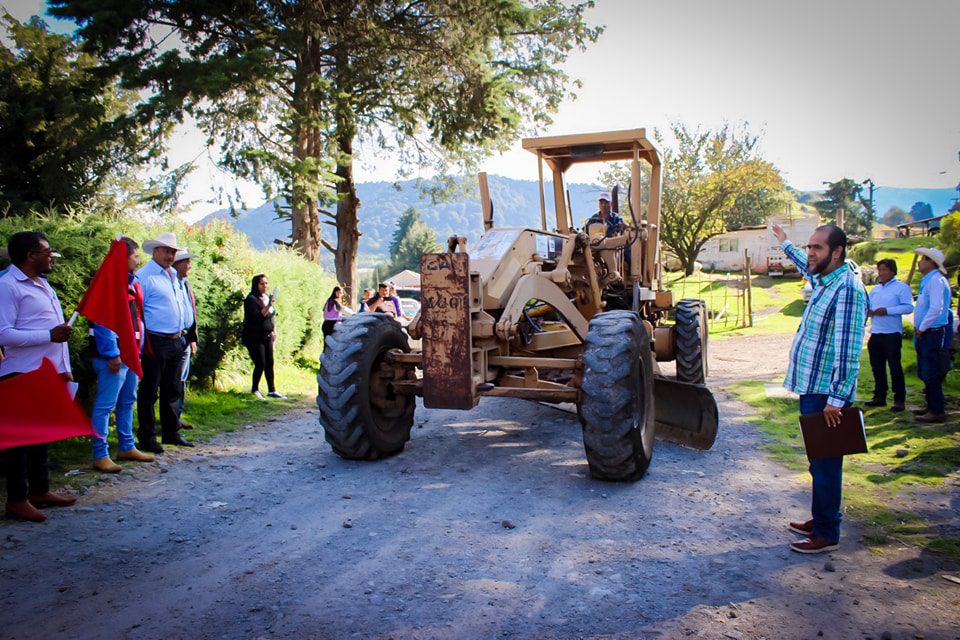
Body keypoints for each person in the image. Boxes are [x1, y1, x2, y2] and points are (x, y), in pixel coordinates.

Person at [772, 223, 868, 554]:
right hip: (815, 388)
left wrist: (837, 400)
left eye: (817, 248)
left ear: (837, 252)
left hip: (828, 395)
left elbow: (848, 349)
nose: (810, 253)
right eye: (809, 246)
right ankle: (822, 517)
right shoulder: (826, 279)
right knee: (819, 461)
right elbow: (807, 267)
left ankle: (827, 532)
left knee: (826, 463)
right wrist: (786, 244)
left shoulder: (847, 290)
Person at [0, 232, 77, 522]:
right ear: (31, 255)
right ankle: (17, 500)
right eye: (48, 251)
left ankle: (40, 490)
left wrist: (63, 366)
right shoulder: (7, 286)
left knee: (40, 436)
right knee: (19, 441)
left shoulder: (43, 285)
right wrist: (48, 335)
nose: (52, 256)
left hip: (46, 371)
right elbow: (3, 334)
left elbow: (59, 335)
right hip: (20, 372)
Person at [88, 237, 156, 473]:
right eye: (135, 255)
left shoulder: (130, 283)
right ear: (123, 257)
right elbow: (102, 322)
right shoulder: (108, 284)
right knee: (105, 405)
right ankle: (100, 453)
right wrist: (112, 353)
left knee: (128, 401)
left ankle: (126, 446)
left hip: (130, 353)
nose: (138, 260)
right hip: (114, 357)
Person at [136, 232, 192, 453]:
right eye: (166, 251)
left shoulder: (172, 275)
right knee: (150, 390)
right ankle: (148, 437)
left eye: (173, 252)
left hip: (177, 339)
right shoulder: (145, 276)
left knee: (173, 388)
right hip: (155, 339)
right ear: (155, 251)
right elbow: (139, 310)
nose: (170, 255)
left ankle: (171, 432)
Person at [864, 258, 914, 412]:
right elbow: (868, 306)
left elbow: (908, 307)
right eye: (879, 270)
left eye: (884, 270)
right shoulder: (876, 289)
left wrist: (888, 310)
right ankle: (879, 396)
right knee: (877, 367)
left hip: (892, 333)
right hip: (876, 332)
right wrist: (870, 311)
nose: (881, 273)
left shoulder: (901, 287)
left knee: (894, 367)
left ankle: (899, 399)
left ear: (892, 271)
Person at [911, 247, 953, 423]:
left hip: (932, 331)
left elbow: (936, 308)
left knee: (931, 371)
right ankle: (931, 405)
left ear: (931, 262)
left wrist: (922, 327)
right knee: (925, 371)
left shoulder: (936, 280)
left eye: (923, 259)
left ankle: (937, 409)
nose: (920, 261)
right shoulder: (928, 280)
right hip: (925, 331)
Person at [242, 274, 284, 399]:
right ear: (256, 285)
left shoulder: (266, 297)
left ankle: (272, 390)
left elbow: (271, 316)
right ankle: (255, 389)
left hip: (267, 335)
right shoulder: (251, 300)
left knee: (270, 362)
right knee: (260, 363)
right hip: (255, 336)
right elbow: (258, 317)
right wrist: (269, 305)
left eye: (266, 283)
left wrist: (274, 330)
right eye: (262, 284)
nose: (265, 286)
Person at [173, 249, 199, 430]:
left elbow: (191, 311)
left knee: (181, 379)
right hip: (174, 338)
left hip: (185, 338)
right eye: (186, 262)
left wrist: (192, 338)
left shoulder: (185, 284)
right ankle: (171, 419)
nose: (189, 265)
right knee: (173, 381)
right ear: (177, 264)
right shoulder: (172, 282)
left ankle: (177, 415)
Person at [585, 192, 628, 286]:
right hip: (595, 245)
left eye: (606, 202)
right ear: (599, 204)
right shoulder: (593, 218)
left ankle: (614, 274)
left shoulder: (616, 218)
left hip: (611, 245)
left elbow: (622, 227)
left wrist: (620, 227)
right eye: (602, 202)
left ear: (611, 204)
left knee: (627, 252)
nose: (604, 205)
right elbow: (585, 231)